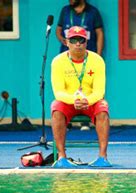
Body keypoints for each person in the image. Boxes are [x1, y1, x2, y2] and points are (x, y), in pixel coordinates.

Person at [50, 26, 111, 168]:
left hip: (90, 101)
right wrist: (74, 100)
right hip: (68, 102)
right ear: (66, 42)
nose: (78, 44)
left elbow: (99, 91)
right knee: (56, 107)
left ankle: (103, 157)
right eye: (74, 40)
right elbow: (58, 92)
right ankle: (61, 157)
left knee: (103, 107)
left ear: (86, 43)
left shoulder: (97, 60)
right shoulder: (58, 61)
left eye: (81, 40)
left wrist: (86, 101)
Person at [56, 0, 104, 131]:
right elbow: (58, 30)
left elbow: (99, 33)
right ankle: (66, 120)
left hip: (87, 58)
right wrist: (67, 42)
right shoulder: (65, 10)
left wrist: (98, 55)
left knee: (89, 87)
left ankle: (86, 122)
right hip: (68, 59)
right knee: (66, 87)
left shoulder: (93, 12)